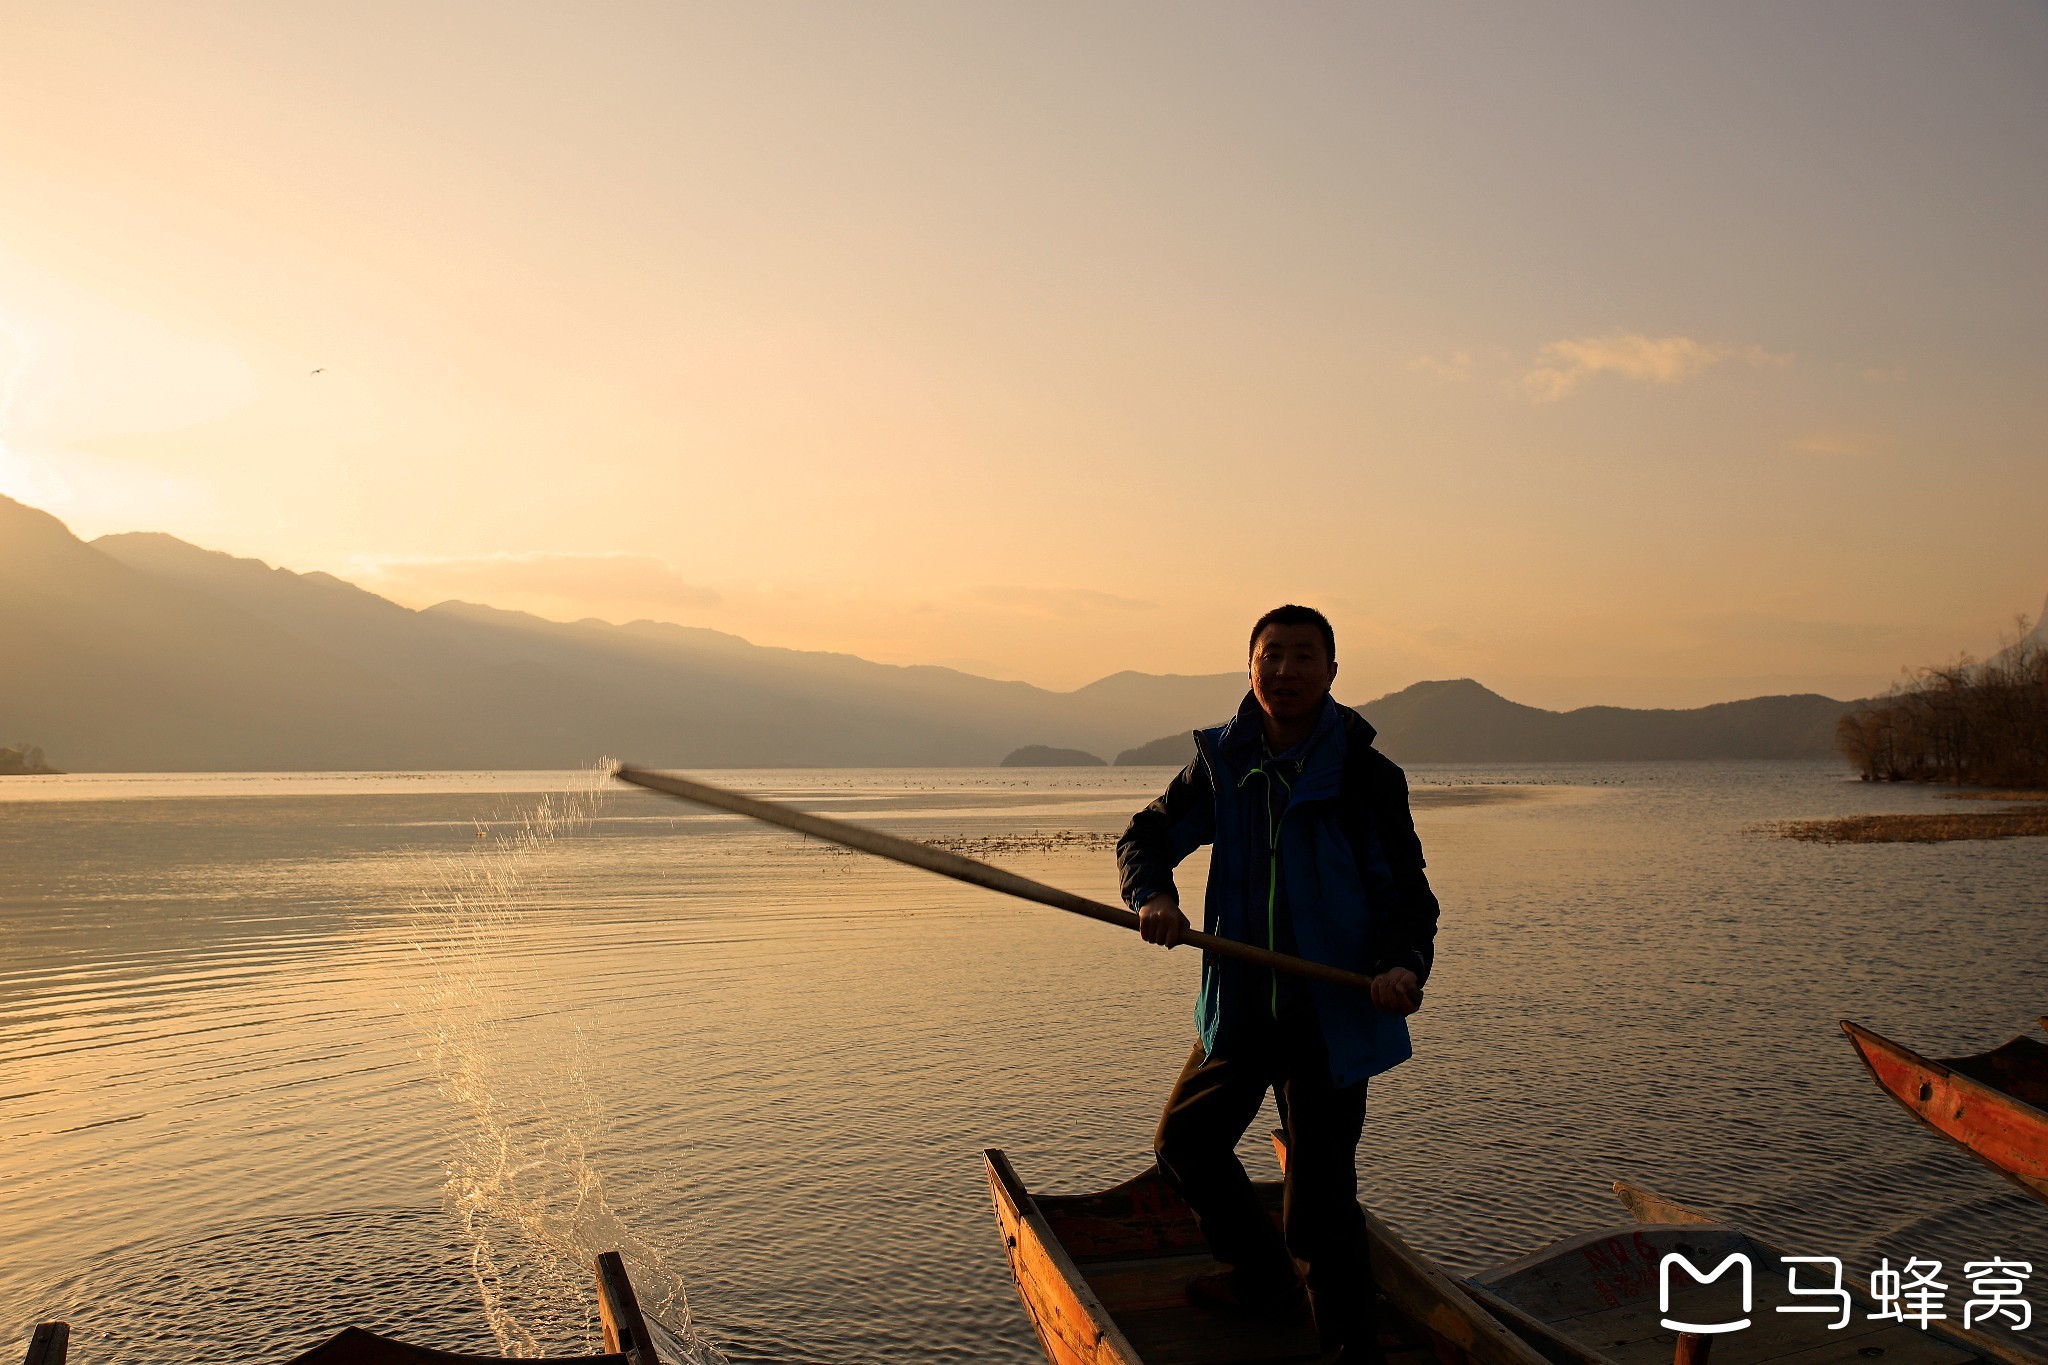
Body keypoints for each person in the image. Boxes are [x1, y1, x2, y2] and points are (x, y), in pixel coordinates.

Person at [1115, 604, 1439, 1362]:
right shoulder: (1223, 764)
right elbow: (1146, 836)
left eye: (1303, 656)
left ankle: (1351, 1345)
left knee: (1321, 1208)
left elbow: (1407, 898)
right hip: (1238, 1004)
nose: (1286, 670)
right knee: (1186, 1143)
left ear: (1331, 671)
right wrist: (1154, 896)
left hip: (1327, 1013)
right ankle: (1264, 1279)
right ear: (1250, 667)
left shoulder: (1363, 774)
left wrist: (1401, 965)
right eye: (1272, 655)